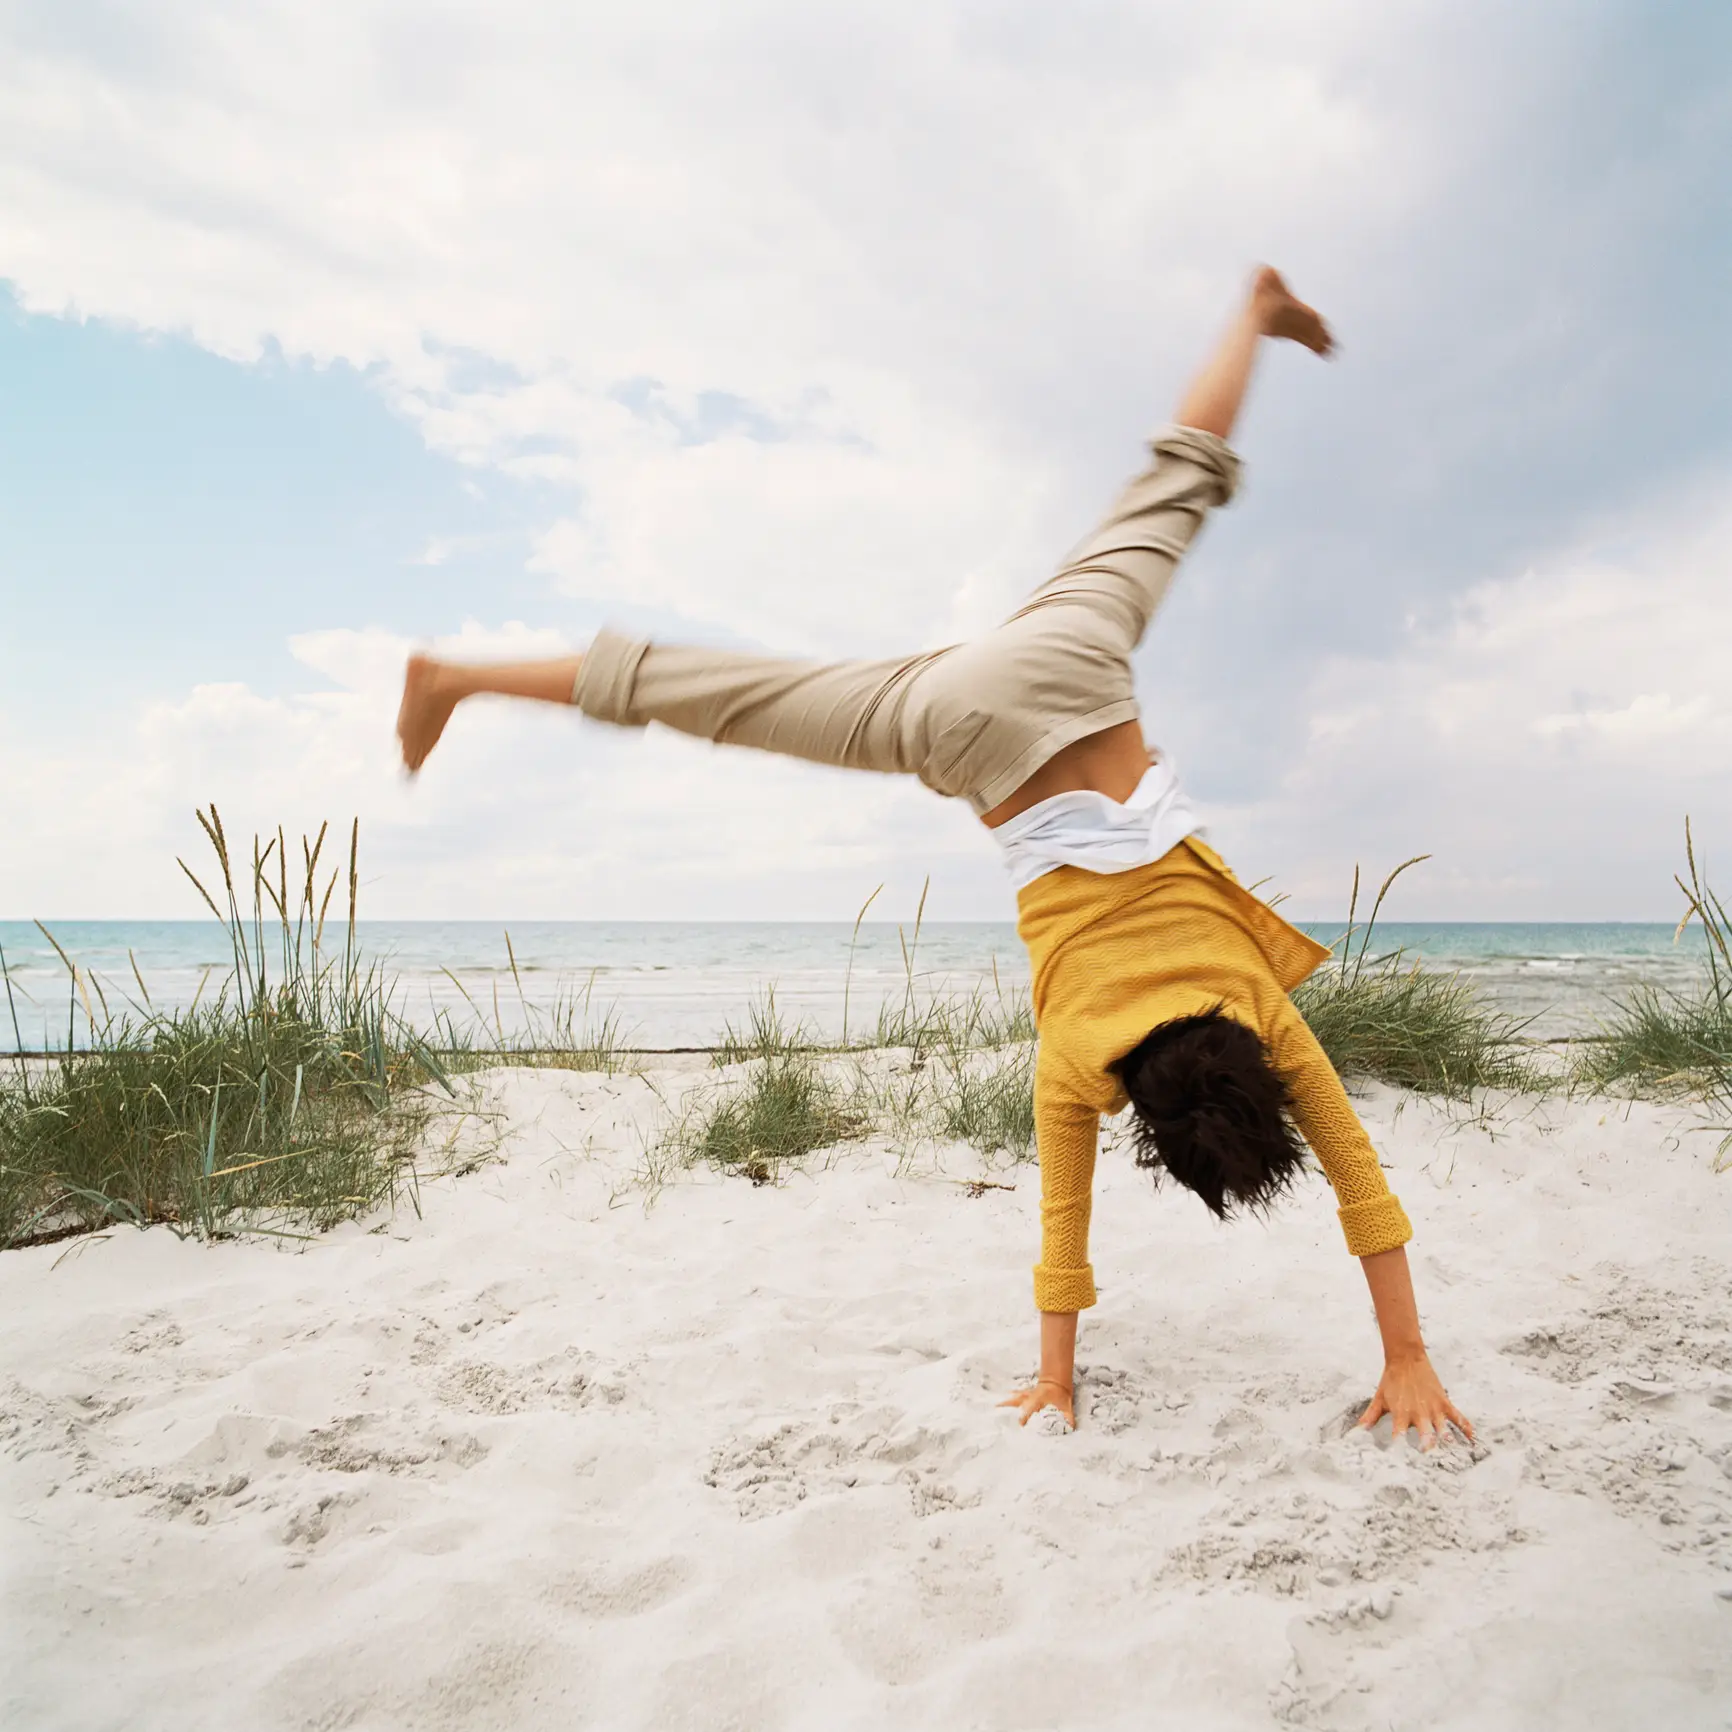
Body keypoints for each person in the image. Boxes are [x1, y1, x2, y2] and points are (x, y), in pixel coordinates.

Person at [396, 268, 1473, 1449]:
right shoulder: (1079, 1062)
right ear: (1143, 1118)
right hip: (963, 729)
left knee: (1178, 485)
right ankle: (456, 679)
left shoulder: (1255, 1007)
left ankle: (1253, 311)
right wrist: (1057, 1383)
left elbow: (1360, 1183)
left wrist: (1405, 1356)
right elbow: (1066, 1229)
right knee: (731, 698)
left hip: (1067, 664)